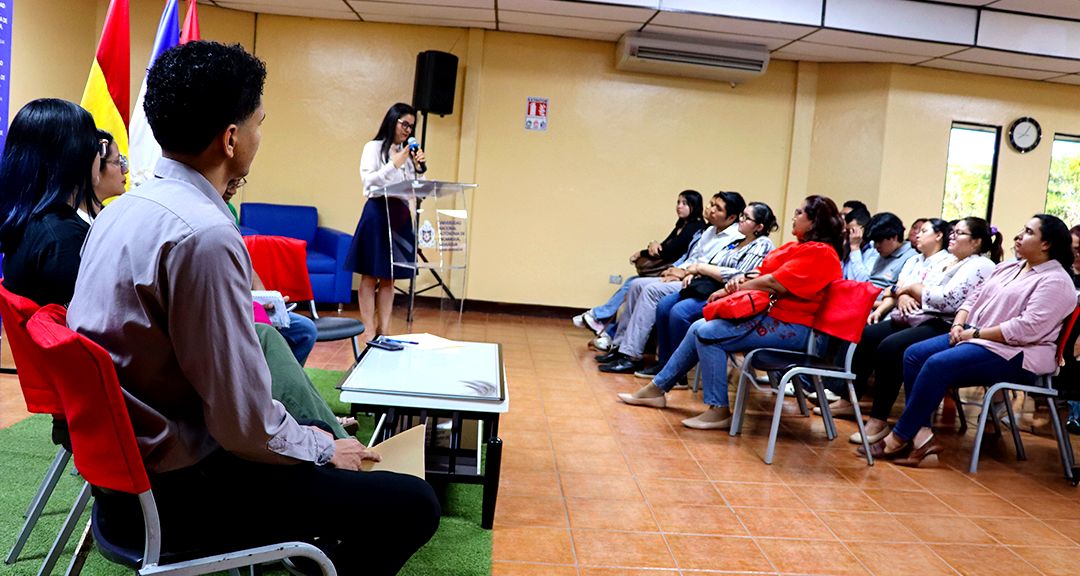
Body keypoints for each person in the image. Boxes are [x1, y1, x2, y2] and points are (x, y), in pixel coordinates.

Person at [67, 42, 439, 574]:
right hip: (181, 498)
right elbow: (243, 427)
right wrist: (319, 446)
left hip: (121, 486)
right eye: (259, 124)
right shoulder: (205, 235)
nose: (260, 139)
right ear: (232, 138)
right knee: (412, 504)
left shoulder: (119, 212)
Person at [863, 214, 1076, 466]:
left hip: (1017, 354)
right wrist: (959, 323)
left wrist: (974, 334)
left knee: (936, 364)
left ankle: (899, 437)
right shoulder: (1009, 266)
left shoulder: (1056, 281)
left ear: (1046, 244)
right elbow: (973, 298)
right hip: (979, 338)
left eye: (1029, 232)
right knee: (914, 354)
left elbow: (1026, 329)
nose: (1019, 235)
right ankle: (922, 438)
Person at [617, 195, 844, 430]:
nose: (794, 216)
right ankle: (656, 389)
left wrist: (738, 287)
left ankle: (718, 410)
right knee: (698, 326)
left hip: (795, 328)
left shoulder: (822, 252)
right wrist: (738, 283)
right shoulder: (800, 247)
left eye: (799, 212)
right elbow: (762, 271)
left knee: (707, 332)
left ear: (814, 221)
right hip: (775, 317)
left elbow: (776, 282)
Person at [830, 218, 1000, 442]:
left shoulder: (980, 265)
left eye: (959, 233)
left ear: (976, 241)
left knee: (891, 347)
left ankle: (879, 419)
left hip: (947, 323)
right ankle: (848, 398)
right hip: (922, 314)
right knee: (869, 334)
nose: (952, 236)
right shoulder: (951, 260)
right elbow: (915, 286)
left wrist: (910, 289)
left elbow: (947, 300)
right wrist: (906, 292)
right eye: (953, 231)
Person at [596, 191, 744, 374]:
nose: (711, 209)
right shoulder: (710, 230)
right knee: (636, 285)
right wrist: (674, 269)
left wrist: (682, 272)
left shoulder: (734, 238)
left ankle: (631, 355)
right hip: (687, 274)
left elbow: (714, 267)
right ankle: (619, 347)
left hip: (700, 283)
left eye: (718, 208)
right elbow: (692, 257)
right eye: (712, 204)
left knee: (651, 290)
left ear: (731, 217)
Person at [641, 201, 777, 378]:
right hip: (707, 286)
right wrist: (696, 273)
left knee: (679, 312)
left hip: (729, 294)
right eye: (742, 215)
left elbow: (740, 276)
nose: (741, 220)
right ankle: (664, 363)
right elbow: (712, 264)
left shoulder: (762, 244)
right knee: (664, 305)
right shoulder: (737, 241)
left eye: (746, 218)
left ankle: (676, 374)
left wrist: (701, 269)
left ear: (759, 226)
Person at [0, 99, 100, 306]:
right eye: (96, 146)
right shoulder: (63, 238)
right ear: (74, 156)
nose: (100, 155)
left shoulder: (24, 222)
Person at [572, 190, 706, 338]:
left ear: (695, 206)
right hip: (668, 268)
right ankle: (604, 325)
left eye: (685, 203)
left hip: (675, 271)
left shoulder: (695, 226)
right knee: (632, 282)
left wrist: (643, 252)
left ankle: (600, 319)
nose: (679, 206)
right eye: (678, 202)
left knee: (634, 284)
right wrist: (652, 245)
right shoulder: (682, 223)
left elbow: (668, 251)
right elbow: (662, 247)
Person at [346, 102, 426, 340]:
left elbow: (417, 191)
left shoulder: (408, 154)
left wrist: (420, 169)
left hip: (400, 215)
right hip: (378, 212)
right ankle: (369, 331)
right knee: (370, 275)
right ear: (392, 120)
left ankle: (385, 330)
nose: (407, 130)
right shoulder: (373, 148)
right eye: (404, 124)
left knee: (390, 277)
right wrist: (395, 163)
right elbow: (369, 183)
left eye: (411, 127)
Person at [224, 177, 319, 367]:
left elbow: (246, 264)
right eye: (230, 184)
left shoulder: (229, 210)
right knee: (264, 335)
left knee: (305, 330)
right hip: (228, 309)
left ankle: (281, 385)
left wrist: (264, 298)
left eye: (237, 184)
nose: (233, 190)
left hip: (246, 305)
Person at [864, 212, 917, 292]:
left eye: (879, 241)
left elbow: (899, 297)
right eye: (874, 242)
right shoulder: (885, 252)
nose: (875, 246)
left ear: (894, 237)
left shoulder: (912, 258)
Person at [87, 129, 128, 217]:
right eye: (117, 162)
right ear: (96, 166)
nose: (125, 170)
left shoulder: (108, 218)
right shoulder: (66, 227)